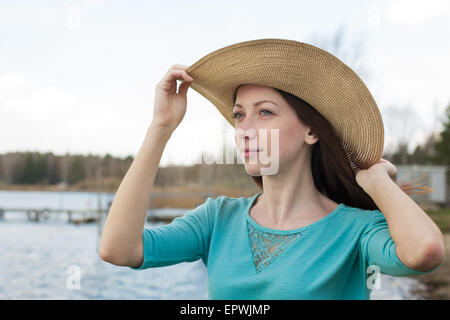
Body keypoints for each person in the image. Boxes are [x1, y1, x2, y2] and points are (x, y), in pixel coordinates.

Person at [99, 39, 446, 300]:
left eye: (264, 112)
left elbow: (424, 252)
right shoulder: (217, 219)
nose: (245, 128)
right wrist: (161, 128)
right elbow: (119, 250)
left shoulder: (355, 230)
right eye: (238, 115)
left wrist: (374, 181)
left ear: (311, 130)